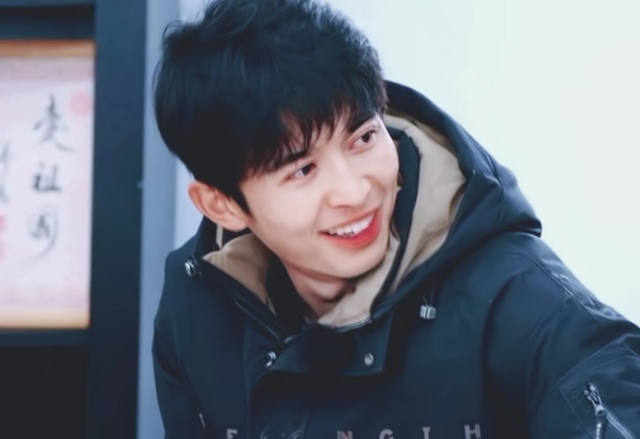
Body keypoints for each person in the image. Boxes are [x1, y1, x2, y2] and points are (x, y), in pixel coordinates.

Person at [151, 0, 640, 437]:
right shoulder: (195, 304)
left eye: (364, 138)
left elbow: (607, 385)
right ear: (222, 205)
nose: (355, 192)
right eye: (303, 170)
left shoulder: (513, 291)